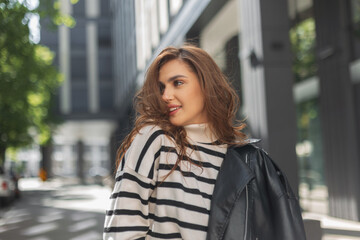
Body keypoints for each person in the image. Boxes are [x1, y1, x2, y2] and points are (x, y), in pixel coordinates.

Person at [103, 45, 306, 240]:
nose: (165, 95)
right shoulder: (155, 138)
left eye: (178, 83)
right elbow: (121, 229)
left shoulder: (239, 157)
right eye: (161, 87)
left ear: (206, 84)